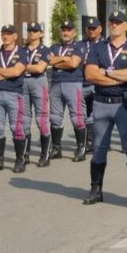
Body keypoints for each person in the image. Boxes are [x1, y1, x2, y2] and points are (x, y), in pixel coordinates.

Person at [83, 11, 127, 207]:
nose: (114, 25)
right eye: (112, 22)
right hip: (101, 103)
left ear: (126, 26)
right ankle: (96, 189)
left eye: (118, 22)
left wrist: (106, 72)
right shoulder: (98, 47)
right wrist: (119, 77)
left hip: (124, 104)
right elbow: (90, 74)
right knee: (99, 148)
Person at [0, 25, 29, 172]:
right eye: (3, 33)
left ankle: (20, 160)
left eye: (9, 34)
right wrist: (6, 74)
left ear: (15, 36)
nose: (6, 36)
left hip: (14, 95)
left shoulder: (22, 52)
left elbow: (16, 72)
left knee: (16, 128)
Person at [48, 20, 88, 161]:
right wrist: (65, 58)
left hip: (73, 84)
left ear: (74, 32)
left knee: (77, 117)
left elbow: (73, 63)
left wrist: (58, 62)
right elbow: (49, 60)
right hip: (56, 84)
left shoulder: (80, 46)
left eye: (68, 30)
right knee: (55, 117)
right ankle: (56, 148)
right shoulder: (55, 47)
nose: (65, 32)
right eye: (63, 30)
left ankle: (81, 148)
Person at [22, 21, 52, 167]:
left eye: (35, 31)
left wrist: (22, 67)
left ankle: (45, 154)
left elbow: (40, 68)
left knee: (41, 120)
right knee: (24, 119)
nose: (32, 33)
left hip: (39, 83)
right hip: (23, 84)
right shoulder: (22, 50)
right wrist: (28, 67)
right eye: (30, 31)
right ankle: (25, 154)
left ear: (41, 33)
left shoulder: (45, 50)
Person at [82, 18, 105, 153]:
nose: (91, 31)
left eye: (94, 28)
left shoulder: (105, 44)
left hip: (98, 83)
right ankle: (88, 141)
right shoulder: (81, 44)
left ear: (100, 29)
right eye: (89, 28)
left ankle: (98, 141)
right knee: (84, 114)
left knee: (97, 114)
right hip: (83, 83)